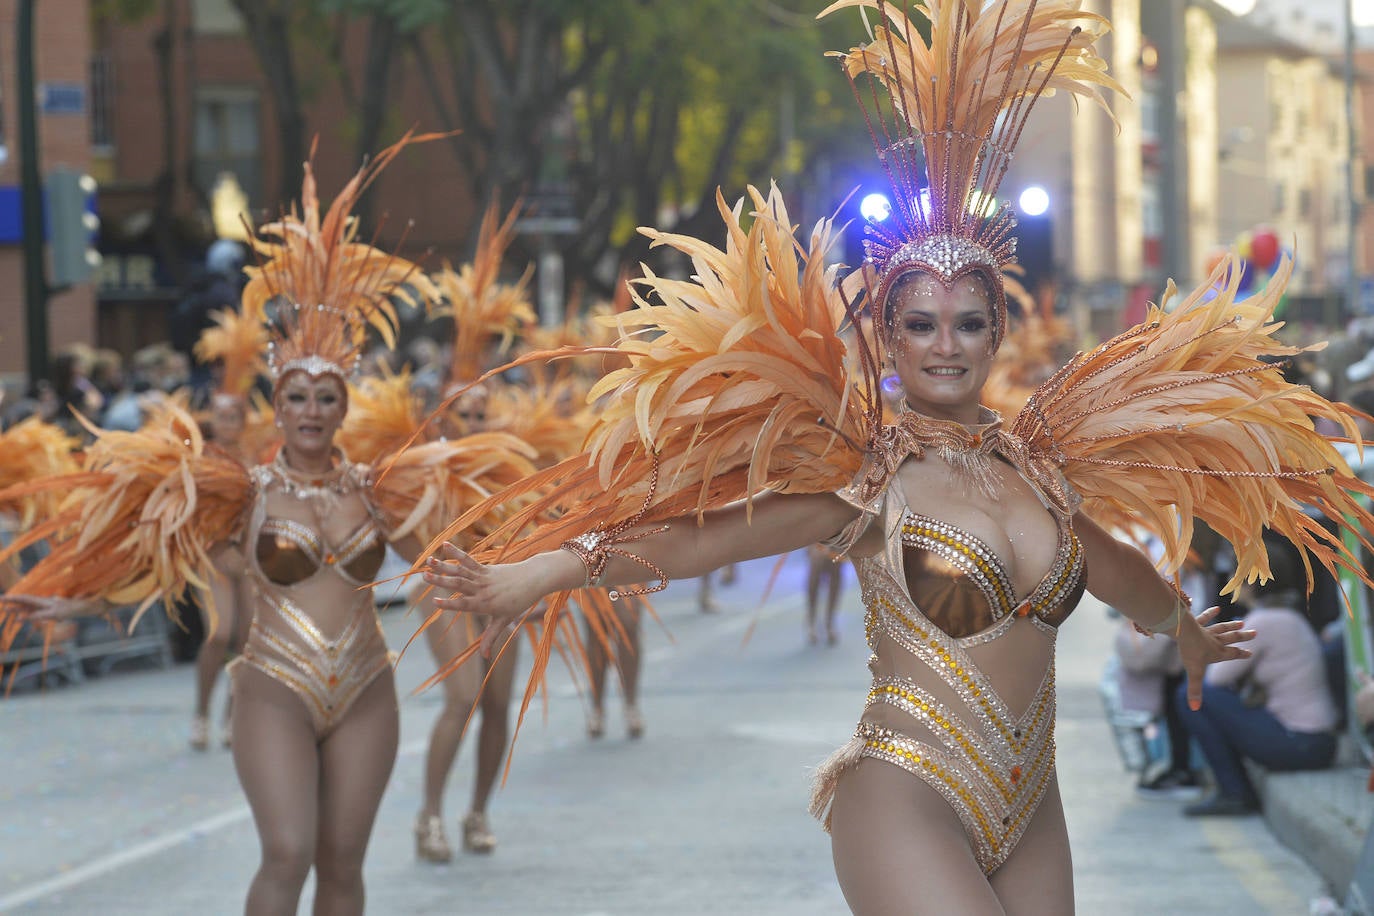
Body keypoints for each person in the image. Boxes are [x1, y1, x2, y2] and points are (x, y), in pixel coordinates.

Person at [415, 5, 1374, 912]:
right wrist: (533, 574)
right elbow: (697, 543)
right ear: (889, 337)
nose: (945, 345)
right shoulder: (863, 477)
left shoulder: (1039, 469)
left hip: (1031, 804)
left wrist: (1186, 631)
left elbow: (1110, 566)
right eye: (920, 325)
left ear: (1001, 330)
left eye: (967, 323)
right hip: (903, 795)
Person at [0, 139, 533, 916]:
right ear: (275, 406)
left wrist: (531, 579)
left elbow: (450, 561)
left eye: (327, 397)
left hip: (365, 689)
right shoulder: (238, 491)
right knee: (287, 854)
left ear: (344, 407)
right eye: (298, 396)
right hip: (274, 689)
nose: (313, 411)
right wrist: (71, 603)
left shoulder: (383, 491)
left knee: (343, 867)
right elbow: (162, 561)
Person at [1177, 534, 1340, 817]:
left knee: (1192, 696)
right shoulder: (1289, 615)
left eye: (1236, 573)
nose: (1230, 579)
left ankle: (1234, 792)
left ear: (1252, 579)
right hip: (1318, 742)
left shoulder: (1261, 623)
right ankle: (1233, 790)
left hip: (1300, 742)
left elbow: (1215, 681)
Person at [585, 591, 647, 739]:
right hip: (594, 571)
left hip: (632, 568)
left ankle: (631, 704)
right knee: (596, 629)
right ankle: (597, 707)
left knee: (628, 623)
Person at [806, 544, 844, 646]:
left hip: (836, 542)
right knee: (814, 580)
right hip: (816, 541)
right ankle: (811, 621)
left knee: (835, 579)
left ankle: (829, 623)